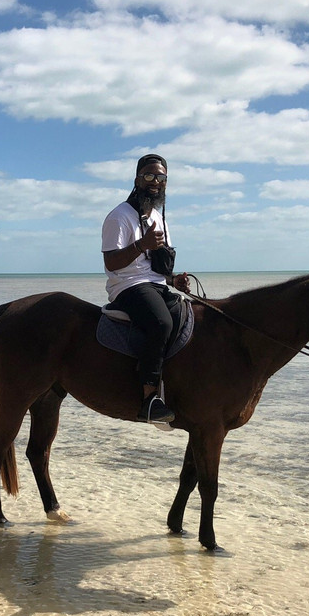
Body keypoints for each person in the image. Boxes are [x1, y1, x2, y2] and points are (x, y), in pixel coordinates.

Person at [101, 154, 190, 424]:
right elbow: (111, 262)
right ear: (137, 179)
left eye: (161, 178)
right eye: (149, 176)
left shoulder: (158, 218)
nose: (155, 182)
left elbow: (157, 265)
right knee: (161, 323)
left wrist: (173, 281)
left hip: (156, 285)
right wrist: (142, 245)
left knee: (190, 316)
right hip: (127, 285)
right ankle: (149, 399)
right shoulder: (119, 216)